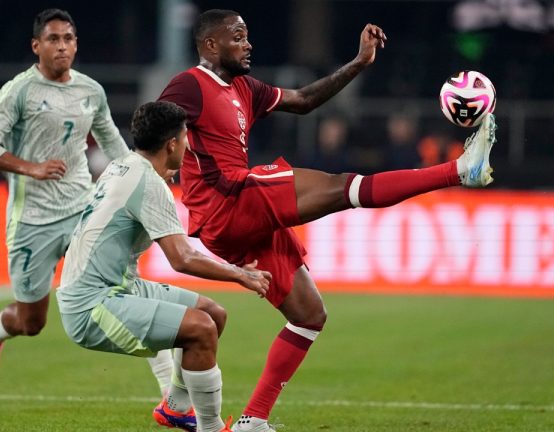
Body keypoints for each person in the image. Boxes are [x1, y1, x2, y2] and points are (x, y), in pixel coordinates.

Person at [158, 9, 497, 431]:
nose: (248, 44)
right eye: (238, 37)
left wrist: (358, 63)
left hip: (236, 220)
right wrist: (152, 175)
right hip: (226, 199)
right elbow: (155, 125)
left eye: (247, 36)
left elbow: (302, 101)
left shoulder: (243, 87)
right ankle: (459, 170)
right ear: (210, 44)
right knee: (343, 188)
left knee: (309, 315)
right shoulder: (190, 84)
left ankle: (252, 420)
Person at [0, 9, 179, 411]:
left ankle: (171, 395)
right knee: (32, 323)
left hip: (85, 210)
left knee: (123, 290)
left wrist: (147, 175)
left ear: (76, 43)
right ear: (37, 46)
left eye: (68, 38)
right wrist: (31, 168)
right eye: (53, 39)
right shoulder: (19, 92)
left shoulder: (91, 91)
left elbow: (114, 144)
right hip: (32, 220)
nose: (62, 45)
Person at [57, 101, 271, 432]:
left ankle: (175, 407)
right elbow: (182, 258)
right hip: (92, 304)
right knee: (200, 329)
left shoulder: (123, 165)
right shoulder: (150, 184)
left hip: (115, 285)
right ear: (171, 144)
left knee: (214, 315)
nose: (188, 145)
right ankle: (211, 428)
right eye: (185, 138)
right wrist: (240, 274)